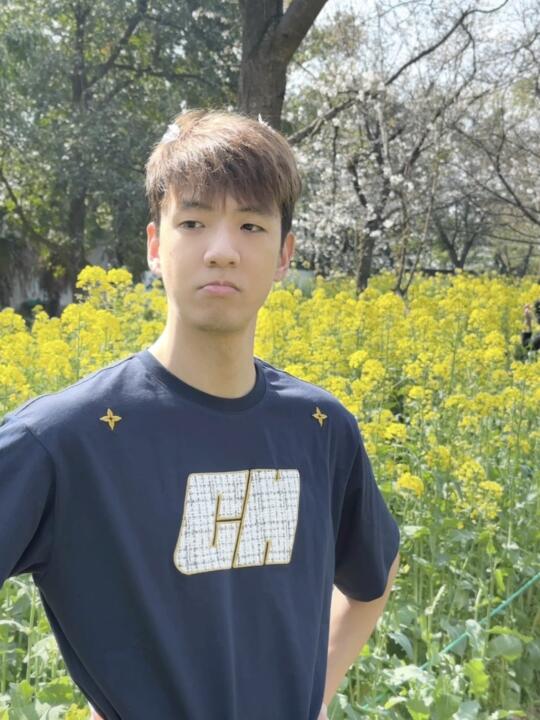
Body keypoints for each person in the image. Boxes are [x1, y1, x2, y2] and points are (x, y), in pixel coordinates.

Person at [0, 108, 400, 720]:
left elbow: (375, 572)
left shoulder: (320, 428)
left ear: (285, 254)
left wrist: (315, 694)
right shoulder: (62, 439)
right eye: (193, 222)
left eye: (251, 225)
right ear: (156, 246)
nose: (221, 251)